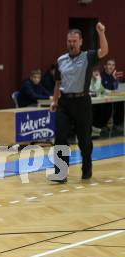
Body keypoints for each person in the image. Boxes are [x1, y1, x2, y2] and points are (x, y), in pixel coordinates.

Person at [50, 23, 108, 183]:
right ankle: (60, 174)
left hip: (82, 102)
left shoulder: (88, 56)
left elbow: (104, 51)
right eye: (69, 41)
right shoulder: (61, 60)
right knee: (60, 137)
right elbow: (57, 83)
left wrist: (101, 33)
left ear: (81, 42)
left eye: (75, 41)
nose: (72, 44)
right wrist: (55, 101)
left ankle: (87, 169)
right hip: (64, 103)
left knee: (84, 139)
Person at [101, 59, 124, 132]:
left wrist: (115, 80)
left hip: (113, 98)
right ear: (105, 66)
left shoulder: (114, 76)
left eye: (113, 65)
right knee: (106, 106)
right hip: (102, 99)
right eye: (109, 64)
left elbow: (116, 88)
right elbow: (104, 90)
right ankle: (102, 124)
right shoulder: (101, 76)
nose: (111, 67)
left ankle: (117, 124)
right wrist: (113, 80)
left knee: (120, 103)